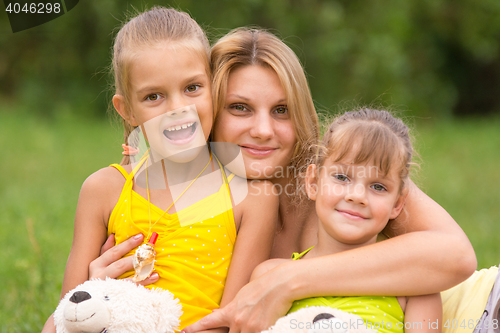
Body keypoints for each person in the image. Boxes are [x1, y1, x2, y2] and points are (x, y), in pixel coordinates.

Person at [89, 28, 477, 333]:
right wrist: (100, 291)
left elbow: (456, 256)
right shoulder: (185, 198)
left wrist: (288, 281)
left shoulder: (341, 171)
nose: (262, 130)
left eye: (281, 110)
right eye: (239, 108)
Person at [41, 9, 278, 333]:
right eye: (154, 96)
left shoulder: (252, 198)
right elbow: (61, 320)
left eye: (192, 88)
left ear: (214, 89)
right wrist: (93, 289)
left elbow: (231, 323)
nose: (177, 109)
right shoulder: (104, 190)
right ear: (128, 110)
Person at [251, 108, 442, 333]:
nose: (357, 196)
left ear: (398, 204)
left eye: (378, 187)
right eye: (342, 177)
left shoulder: (416, 288)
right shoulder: (269, 276)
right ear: (313, 182)